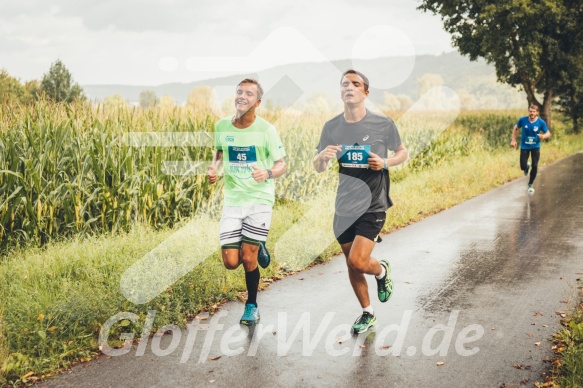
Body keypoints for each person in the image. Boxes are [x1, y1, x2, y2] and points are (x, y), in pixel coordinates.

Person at [313, 70, 408, 334]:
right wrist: (322, 156)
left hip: (373, 204)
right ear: (341, 91)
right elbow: (319, 167)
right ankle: (368, 312)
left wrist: (386, 162)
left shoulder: (383, 124)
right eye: (345, 84)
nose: (349, 87)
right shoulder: (332, 127)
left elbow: (402, 151)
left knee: (357, 260)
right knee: (351, 263)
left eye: (356, 84)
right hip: (343, 206)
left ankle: (381, 271)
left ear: (366, 92)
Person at [207, 78, 286, 326]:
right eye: (239, 91)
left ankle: (251, 305)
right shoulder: (222, 126)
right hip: (232, 200)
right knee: (231, 261)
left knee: (249, 259)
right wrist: (214, 167)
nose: (242, 96)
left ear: (258, 102)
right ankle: (258, 242)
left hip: (259, 200)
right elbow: (219, 150)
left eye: (249, 94)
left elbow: (282, 164)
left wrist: (268, 173)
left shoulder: (266, 130)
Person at [511, 104, 551, 193]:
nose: (532, 113)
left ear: (537, 112)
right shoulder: (523, 120)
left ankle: (530, 184)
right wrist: (513, 140)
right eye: (530, 111)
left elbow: (548, 133)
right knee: (522, 166)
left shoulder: (540, 122)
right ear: (528, 111)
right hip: (524, 146)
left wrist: (543, 136)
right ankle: (526, 167)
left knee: (535, 166)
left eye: (534, 112)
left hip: (535, 147)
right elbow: (515, 128)